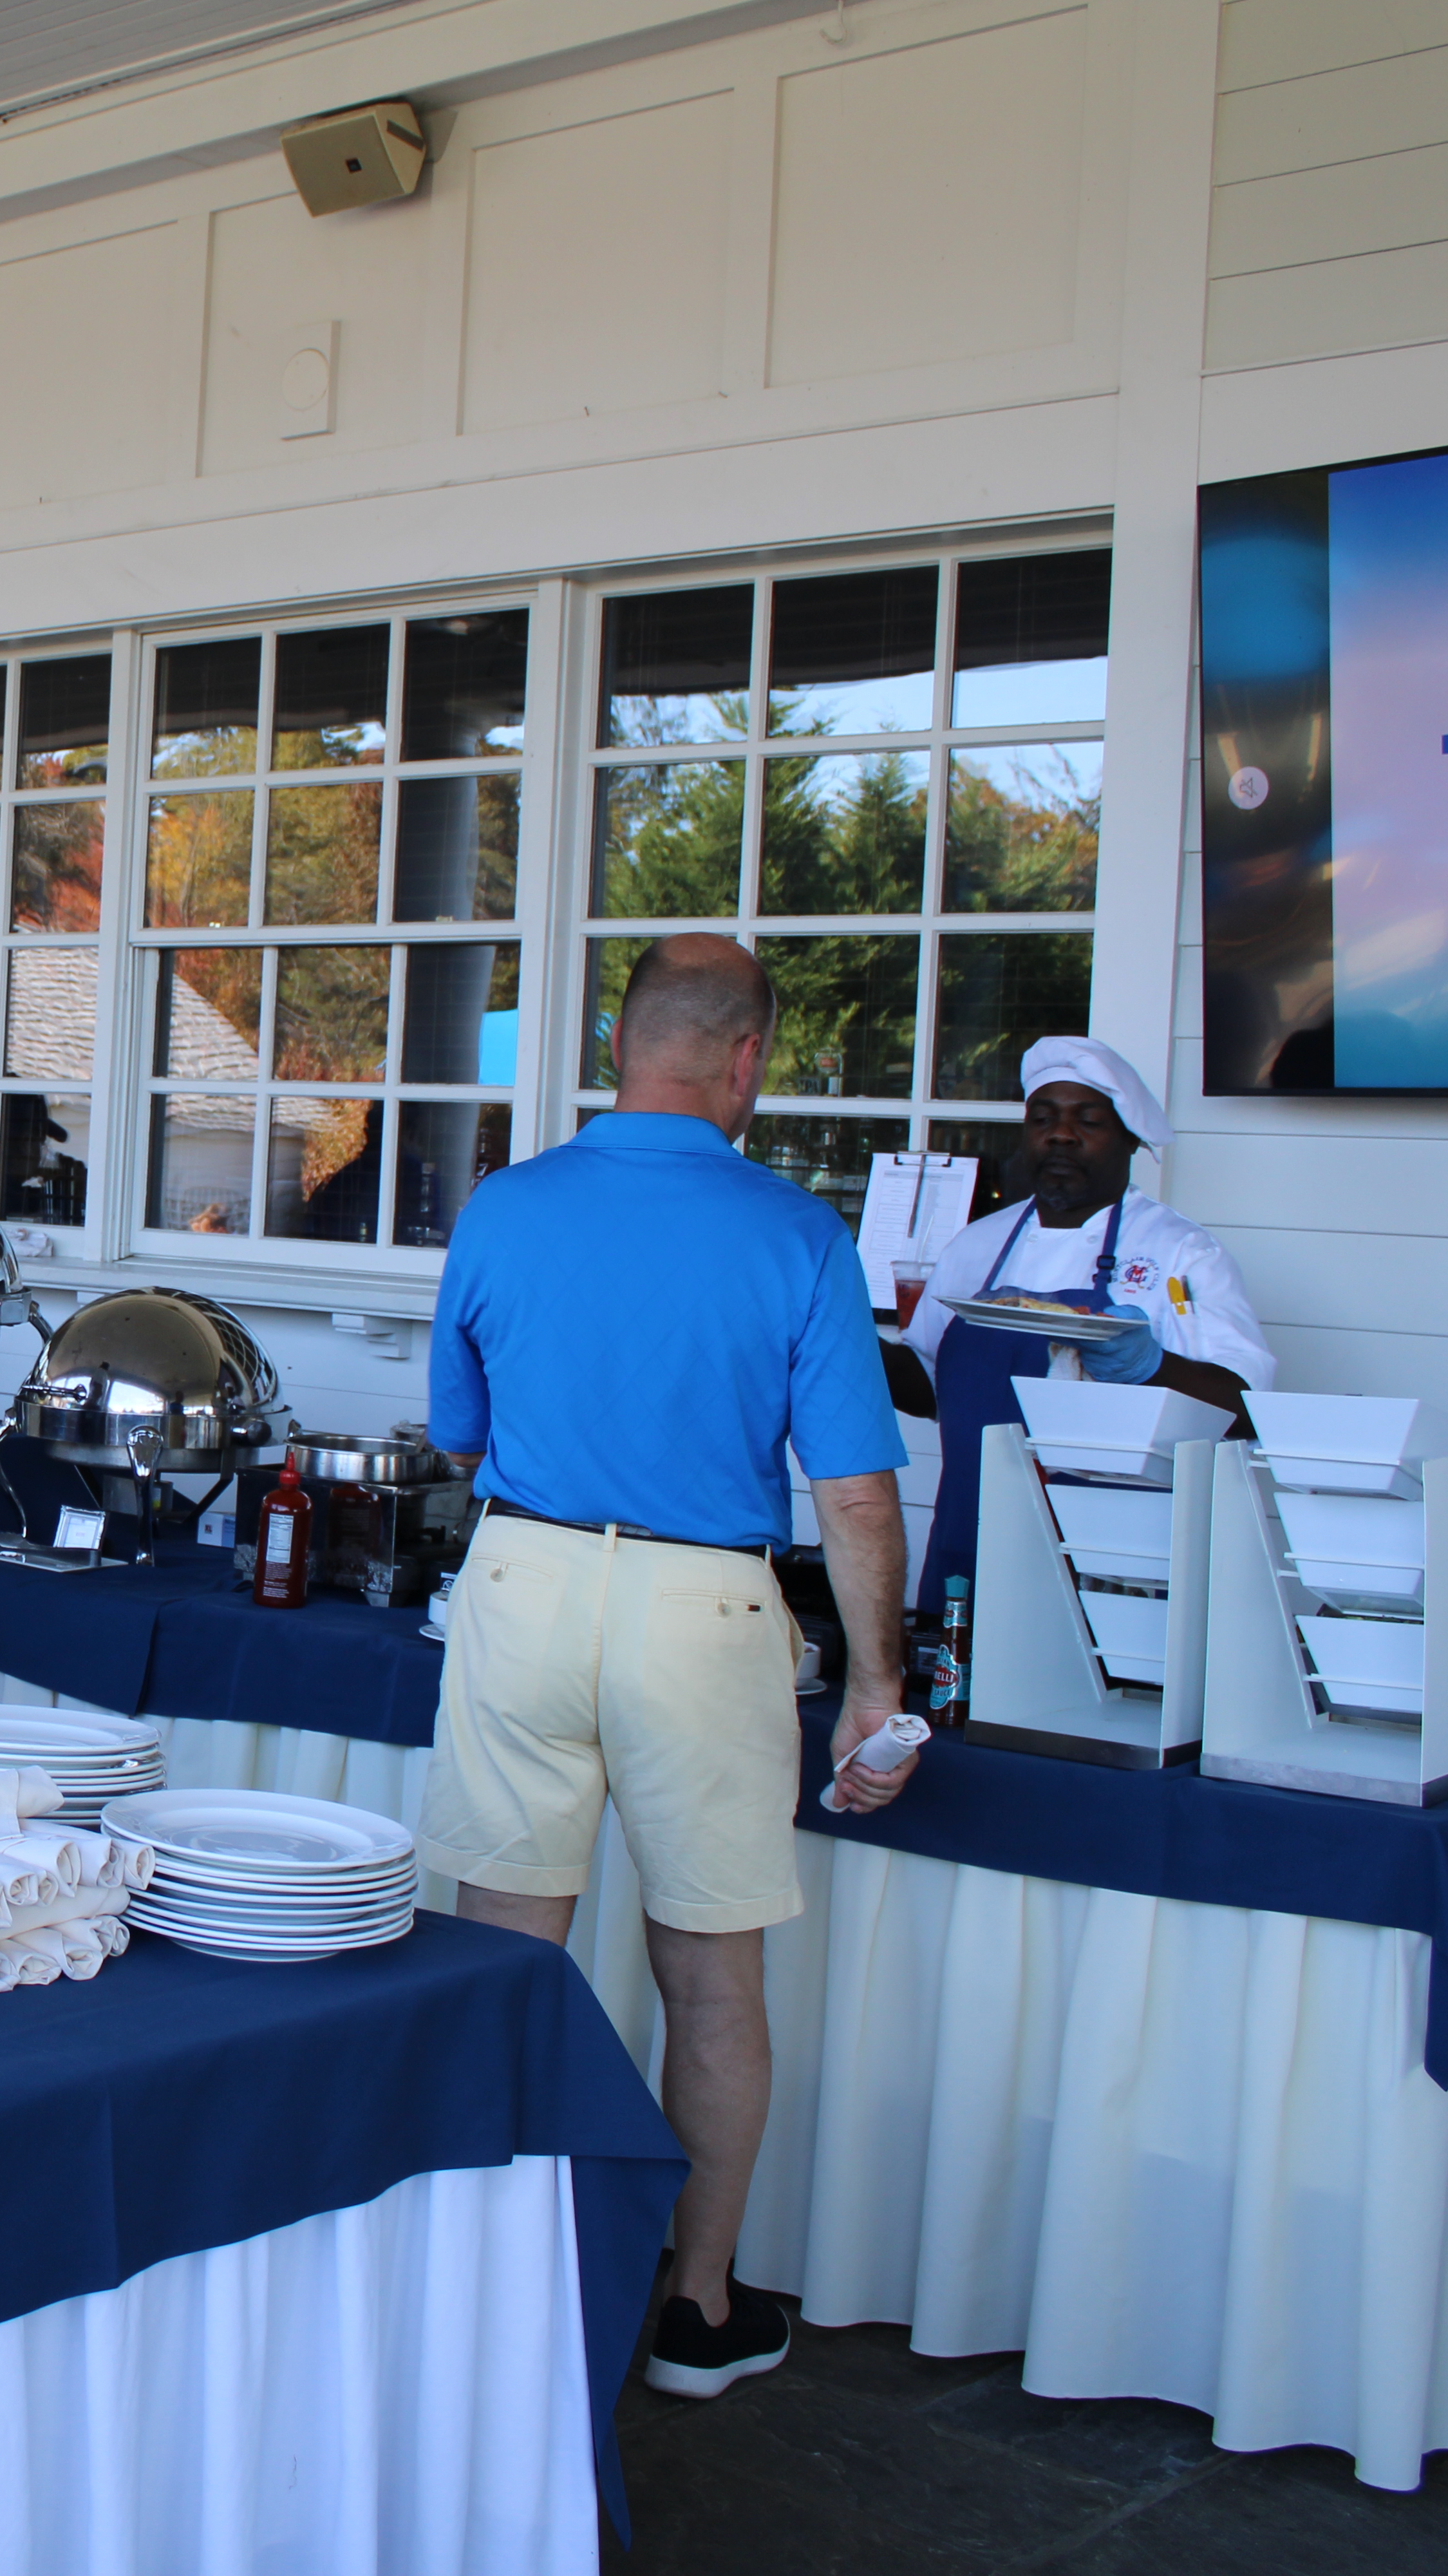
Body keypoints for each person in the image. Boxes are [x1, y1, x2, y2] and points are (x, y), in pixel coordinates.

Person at [420, 933, 916, 2401]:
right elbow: (858, 1495)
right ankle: (695, 2307)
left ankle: (476, 2282)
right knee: (708, 1977)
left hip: (524, 1575)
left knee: (505, 1953)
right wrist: (878, 1683)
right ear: (747, 1056)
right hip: (707, 1608)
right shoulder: (797, 1233)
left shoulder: (506, 1206)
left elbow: (456, 1432)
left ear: (618, 1046)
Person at [885, 1036, 1274, 1615]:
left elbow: (1244, 1410)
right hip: (973, 1547)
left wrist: (1151, 1366)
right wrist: (847, 1341)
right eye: (1043, 1118)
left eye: (1087, 1119)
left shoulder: (1182, 1254)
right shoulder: (978, 1246)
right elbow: (930, 1384)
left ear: (1127, 1140)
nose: (1060, 1134)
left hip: (1108, 1565)